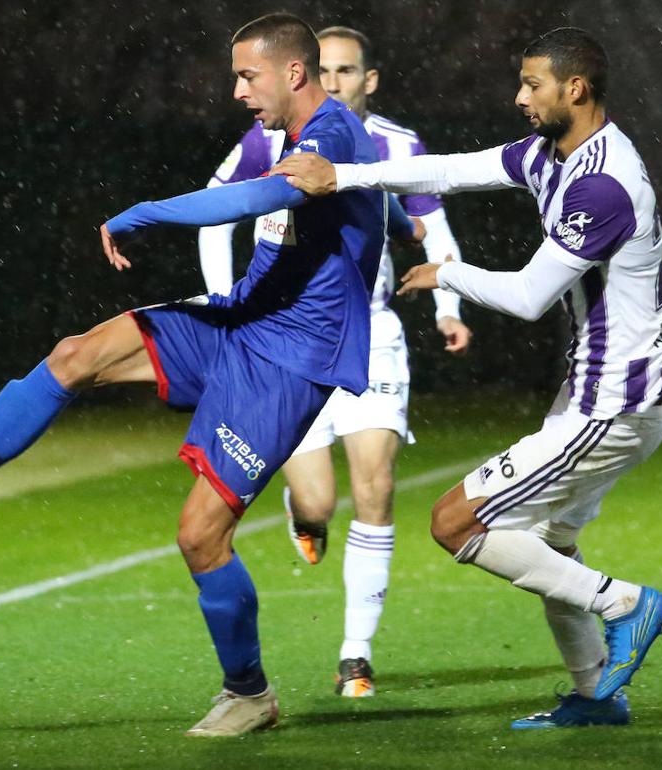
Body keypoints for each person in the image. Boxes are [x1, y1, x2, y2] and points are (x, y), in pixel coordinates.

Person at [0, 12, 386, 738]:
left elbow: (263, 198)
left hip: (289, 361)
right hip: (242, 320)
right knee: (74, 355)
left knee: (200, 537)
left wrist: (145, 213)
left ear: (291, 72)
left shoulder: (336, 131)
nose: (236, 92)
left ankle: (248, 693)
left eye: (247, 76)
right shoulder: (280, 133)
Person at [275, 27, 662, 730]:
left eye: (532, 85)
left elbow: (528, 298)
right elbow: (452, 170)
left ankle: (624, 604)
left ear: (574, 89)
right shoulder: (553, 154)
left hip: (617, 400)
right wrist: (344, 177)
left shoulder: (604, 184)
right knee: (549, 543)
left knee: (455, 521)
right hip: (603, 390)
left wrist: (446, 273)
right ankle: (595, 697)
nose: (519, 97)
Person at [197, 25, 472, 698]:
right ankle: (306, 512)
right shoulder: (266, 139)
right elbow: (213, 214)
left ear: (369, 79)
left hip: (371, 330)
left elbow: (431, 221)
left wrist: (450, 305)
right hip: (288, 336)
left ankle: (355, 652)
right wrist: (222, 301)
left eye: (348, 69)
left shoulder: (396, 143)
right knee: (319, 497)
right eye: (326, 68)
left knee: (374, 486)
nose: (338, 79)